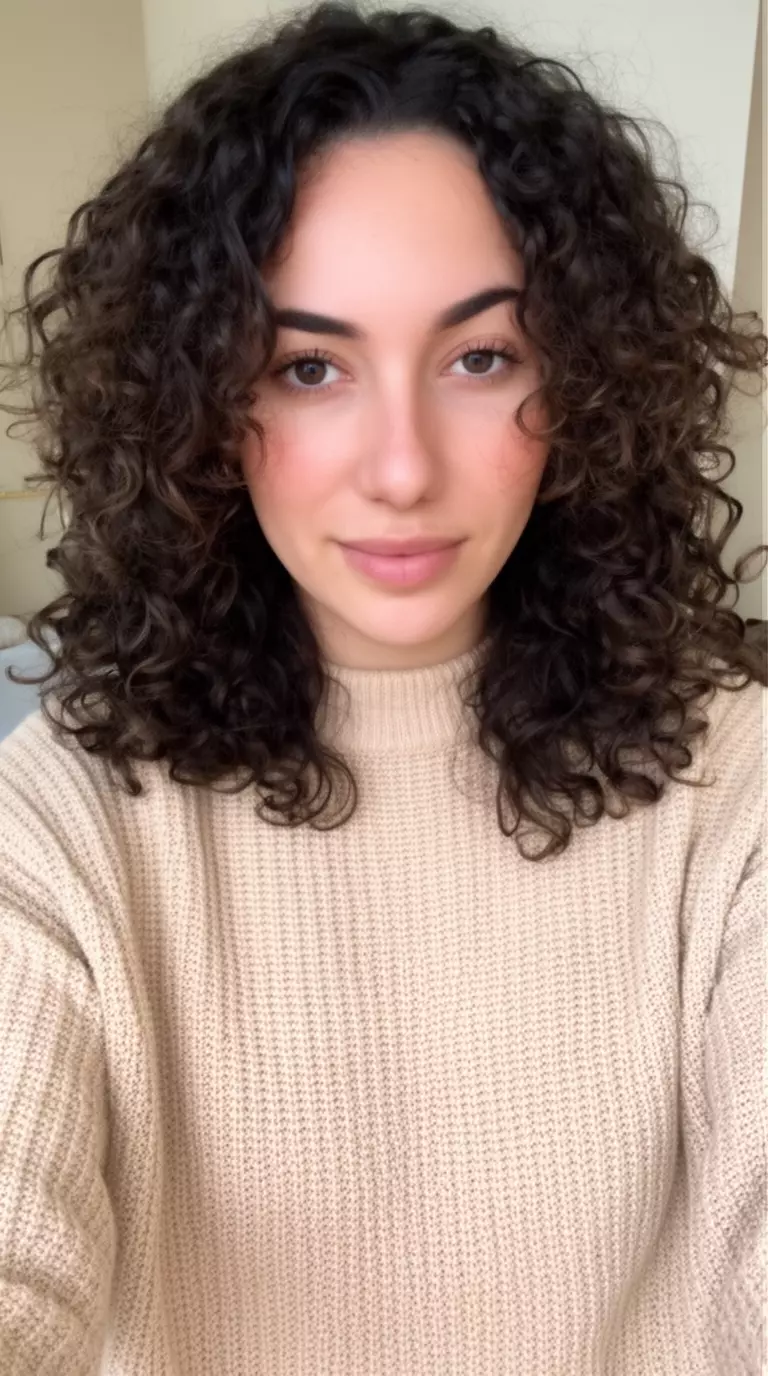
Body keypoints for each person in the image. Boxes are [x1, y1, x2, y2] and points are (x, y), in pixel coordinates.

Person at [0, 2, 765, 1371]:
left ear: (583, 381)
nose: (402, 466)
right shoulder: (66, 812)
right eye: (308, 367)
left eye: (482, 356)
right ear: (199, 407)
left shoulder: (737, 774)